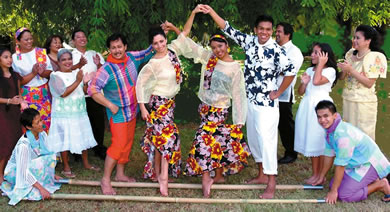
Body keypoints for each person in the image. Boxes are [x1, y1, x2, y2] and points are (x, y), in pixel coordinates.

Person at [204, 5, 296, 199]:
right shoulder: (249, 42)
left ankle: (271, 184)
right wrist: (211, 12)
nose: (264, 32)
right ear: (256, 30)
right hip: (250, 102)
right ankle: (262, 175)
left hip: (267, 105)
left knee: (267, 141)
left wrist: (278, 92)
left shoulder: (276, 51)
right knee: (254, 140)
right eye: (261, 29)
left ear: (272, 32)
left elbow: (291, 72)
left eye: (268, 30)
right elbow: (227, 28)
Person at [162, 5, 250, 198]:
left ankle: (206, 177)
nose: (217, 50)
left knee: (203, 141)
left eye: (220, 46)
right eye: (214, 47)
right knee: (216, 142)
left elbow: (239, 95)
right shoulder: (208, 58)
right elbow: (187, 44)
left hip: (219, 110)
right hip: (204, 108)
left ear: (227, 46)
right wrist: (186, 20)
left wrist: (239, 120)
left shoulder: (234, 68)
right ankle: (217, 175)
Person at [88, 33, 154, 195]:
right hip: (117, 113)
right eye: (113, 48)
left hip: (132, 110)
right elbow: (92, 90)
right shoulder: (106, 69)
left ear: (125, 47)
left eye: (119, 47)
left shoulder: (132, 57)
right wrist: (110, 104)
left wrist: (163, 34)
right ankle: (105, 180)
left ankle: (120, 174)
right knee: (118, 145)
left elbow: (149, 51)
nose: (117, 50)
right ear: (109, 49)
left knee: (127, 143)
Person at [136, 26, 185, 197]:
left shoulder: (172, 52)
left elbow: (184, 36)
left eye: (161, 41)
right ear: (152, 45)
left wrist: (174, 26)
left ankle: (156, 173)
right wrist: (142, 107)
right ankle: (163, 177)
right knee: (168, 138)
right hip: (158, 104)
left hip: (170, 103)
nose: (159, 45)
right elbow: (140, 84)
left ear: (166, 39)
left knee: (159, 139)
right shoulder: (152, 63)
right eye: (155, 43)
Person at [312, 100, 390, 203]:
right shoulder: (330, 130)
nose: (322, 120)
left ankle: (381, 184)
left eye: (326, 116)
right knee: (333, 184)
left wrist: (334, 191)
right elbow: (328, 155)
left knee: (344, 195)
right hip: (356, 163)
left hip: (369, 163)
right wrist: (321, 176)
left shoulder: (343, 136)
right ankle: (369, 180)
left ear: (335, 116)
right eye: (319, 117)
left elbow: (340, 165)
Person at [47, 49, 98, 178]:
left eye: (69, 59)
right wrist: (77, 81)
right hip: (64, 113)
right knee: (64, 139)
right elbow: (63, 93)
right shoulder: (55, 76)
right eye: (63, 60)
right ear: (58, 62)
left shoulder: (77, 72)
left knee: (83, 135)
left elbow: (84, 91)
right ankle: (66, 166)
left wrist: (85, 82)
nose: (67, 62)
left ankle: (86, 163)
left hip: (79, 111)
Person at [294, 43, 338, 184]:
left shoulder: (330, 70)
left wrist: (321, 65)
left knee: (320, 141)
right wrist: (304, 83)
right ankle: (315, 173)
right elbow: (300, 92)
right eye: (312, 52)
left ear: (324, 56)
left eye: (316, 53)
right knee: (311, 140)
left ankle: (321, 175)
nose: (312, 55)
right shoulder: (309, 69)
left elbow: (317, 81)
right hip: (308, 106)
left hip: (321, 107)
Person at [1, 108, 61, 205]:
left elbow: (45, 156)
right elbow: (23, 172)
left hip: (32, 167)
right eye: (37, 123)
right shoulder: (23, 145)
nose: (41, 124)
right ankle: (36, 185)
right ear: (29, 127)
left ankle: (40, 182)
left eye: (41, 120)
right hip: (17, 172)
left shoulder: (43, 134)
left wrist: (50, 174)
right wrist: (41, 189)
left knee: (50, 156)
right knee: (35, 193)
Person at [337, 25, 387, 140]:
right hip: (348, 99)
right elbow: (342, 77)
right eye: (354, 37)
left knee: (363, 136)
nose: (354, 40)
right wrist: (344, 70)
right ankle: (350, 157)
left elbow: (369, 83)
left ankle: (366, 158)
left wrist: (351, 70)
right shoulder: (350, 54)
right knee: (349, 134)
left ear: (368, 41)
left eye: (358, 38)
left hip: (364, 103)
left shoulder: (374, 57)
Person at [71, 29, 107, 160]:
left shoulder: (94, 53)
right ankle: (78, 151)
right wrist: (78, 65)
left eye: (84, 36)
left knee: (97, 121)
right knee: (79, 123)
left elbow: (105, 70)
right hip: (77, 94)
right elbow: (67, 69)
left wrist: (99, 64)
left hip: (94, 94)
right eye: (78, 37)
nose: (82, 39)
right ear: (73, 41)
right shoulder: (71, 55)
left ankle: (98, 147)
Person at [12, 27, 53, 132]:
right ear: (18, 41)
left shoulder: (41, 52)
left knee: (45, 121)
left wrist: (42, 73)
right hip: (27, 94)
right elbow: (18, 81)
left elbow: (50, 72)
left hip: (43, 92)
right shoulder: (15, 58)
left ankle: (46, 147)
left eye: (30, 38)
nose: (29, 41)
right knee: (30, 123)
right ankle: (31, 147)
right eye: (26, 39)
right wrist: (33, 73)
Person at [275, 22, 304, 164]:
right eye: (276, 31)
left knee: (285, 124)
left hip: (284, 94)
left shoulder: (294, 51)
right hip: (268, 92)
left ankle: (291, 153)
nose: (276, 34)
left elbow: (288, 71)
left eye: (279, 31)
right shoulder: (273, 48)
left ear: (288, 34)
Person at [0, 48, 27, 185]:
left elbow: (19, 93)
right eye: (5, 57)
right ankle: (0, 175)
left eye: (10, 57)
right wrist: (10, 101)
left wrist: (22, 102)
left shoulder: (15, 75)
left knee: (15, 142)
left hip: (15, 113)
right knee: (5, 142)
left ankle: (11, 173)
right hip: (2, 114)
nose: (9, 59)